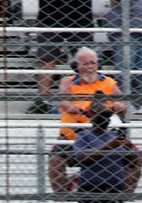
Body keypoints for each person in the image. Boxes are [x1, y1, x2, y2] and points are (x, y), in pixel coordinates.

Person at [29, 0, 103, 114]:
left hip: (81, 15)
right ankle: (43, 100)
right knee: (47, 57)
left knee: (85, 61)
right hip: (50, 15)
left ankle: (86, 97)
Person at [72, 106, 141, 203]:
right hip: (92, 189)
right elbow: (82, 158)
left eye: (108, 115)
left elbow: (132, 162)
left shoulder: (115, 136)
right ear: (91, 115)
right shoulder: (84, 135)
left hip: (114, 190)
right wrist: (109, 146)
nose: (105, 118)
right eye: (101, 114)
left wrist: (129, 149)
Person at [52, 46, 125, 192]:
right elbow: (63, 100)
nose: (90, 67)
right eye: (85, 64)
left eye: (93, 63)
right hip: (72, 135)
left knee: (132, 158)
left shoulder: (109, 83)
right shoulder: (69, 82)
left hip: (104, 135)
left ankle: (123, 198)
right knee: (55, 161)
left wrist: (117, 106)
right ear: (76, 66)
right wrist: (72, 107)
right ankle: (61, 200)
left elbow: (123, 104)